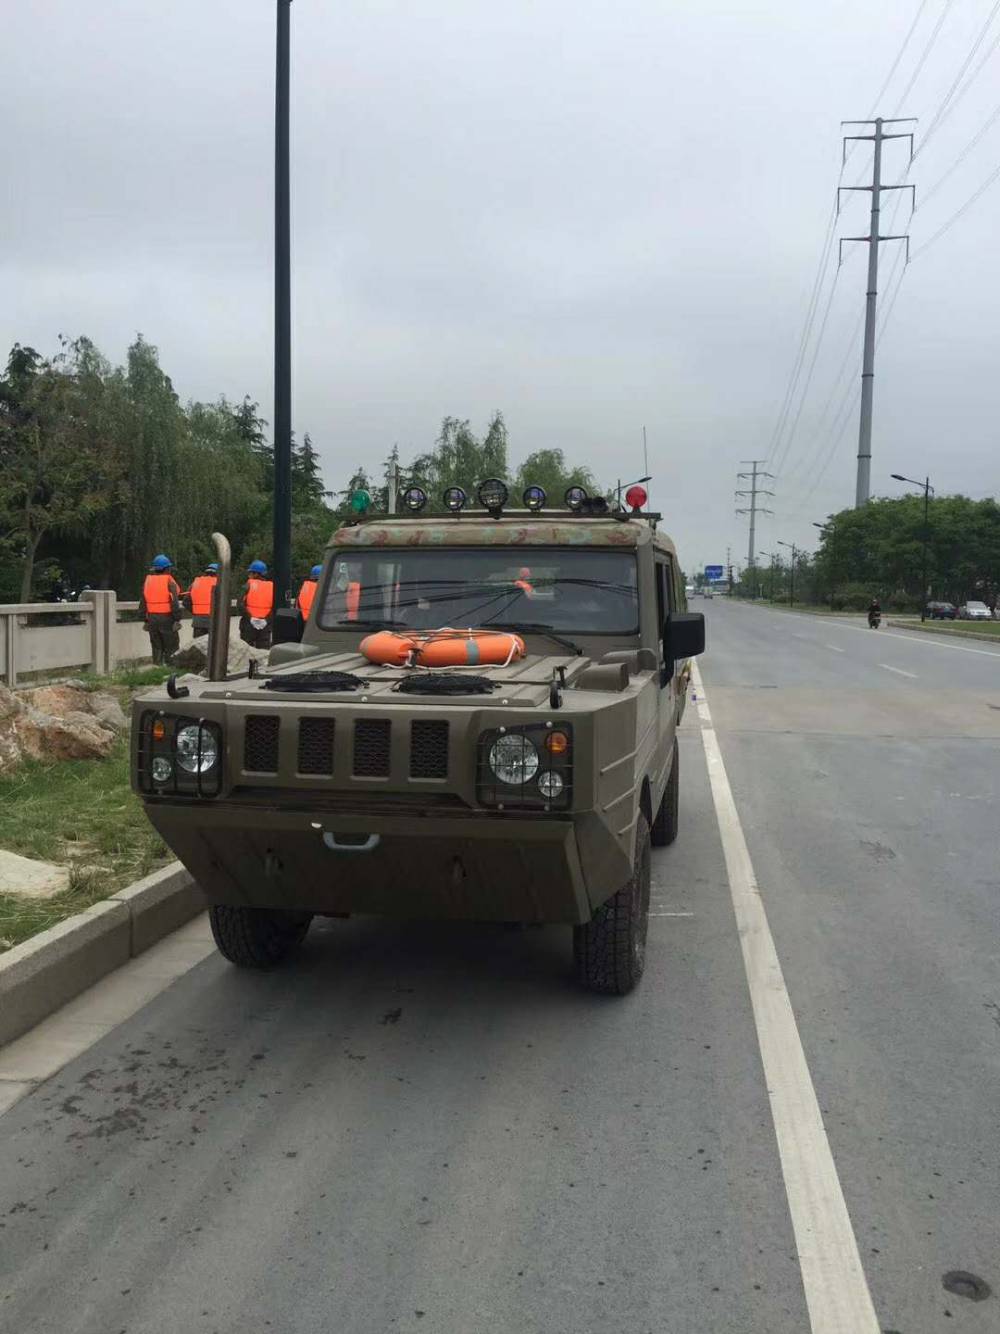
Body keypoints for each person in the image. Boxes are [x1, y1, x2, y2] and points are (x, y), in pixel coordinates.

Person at [140, 554, 182, 664]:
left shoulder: (148, 581)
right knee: (172, 646)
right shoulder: (169, 581)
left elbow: (143, 602)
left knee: (156, 647)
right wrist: (177, 619)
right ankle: (171, 671)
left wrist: (145, 620)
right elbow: (174, 602)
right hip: (167, 619)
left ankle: (157, 669)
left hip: (152, 619)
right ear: (167, 569)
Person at [240, 559, 275, 647]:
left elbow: (240, 604)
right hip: (264, 626)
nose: (249, 575)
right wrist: (266, 620)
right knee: (262, 654)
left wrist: (250, 618)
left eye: (251, 573)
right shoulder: (272, 587)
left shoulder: (248, 585)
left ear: (256, 574)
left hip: (248, 625)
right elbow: (275, 607)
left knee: (246, 652)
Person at [185, 562, 219, 638]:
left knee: (198, 647)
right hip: (213, 622)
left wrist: (195, 611)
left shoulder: (195, 582)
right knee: (213, 648)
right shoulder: (218, 583)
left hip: (198, 622)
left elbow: (186, 601)